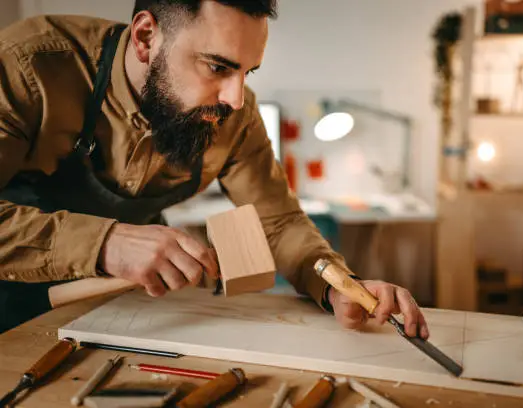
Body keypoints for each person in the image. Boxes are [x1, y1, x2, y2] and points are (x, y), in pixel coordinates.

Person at [0, 0, 429, 338]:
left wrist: (337, 285)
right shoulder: (28, 66)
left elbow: (277, 222)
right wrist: (106, 242)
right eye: (217, 67)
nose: (236, 98)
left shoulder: (235, 117)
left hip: (128, 310)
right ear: (146, 37)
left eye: (247, 71)